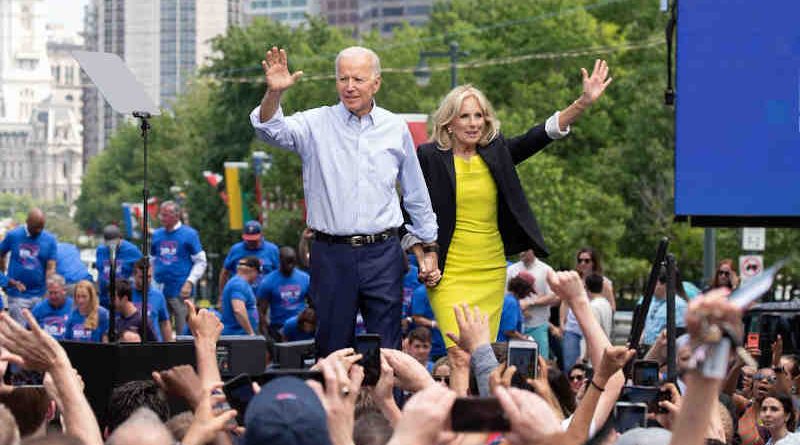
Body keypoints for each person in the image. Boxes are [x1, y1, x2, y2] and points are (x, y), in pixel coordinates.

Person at [412, 62, 610, 365]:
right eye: (465, 116)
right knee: (458, 355)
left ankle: (478, 410)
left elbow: (539, 135)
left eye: (479, 115)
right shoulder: (428, 157)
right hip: (449, 271)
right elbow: (410, 210)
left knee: (481, 354)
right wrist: (425, 255)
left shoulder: (496, 152)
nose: (474, 122)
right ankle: (457, 411)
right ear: (449, 122)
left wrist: (582, 103)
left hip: (490, 268)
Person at [249, 46, 439, 356]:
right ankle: (336, 405)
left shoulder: (395, 127)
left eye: (358, 79)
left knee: (386, 350)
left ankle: (383, 406)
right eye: (343, 78)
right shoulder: (315, 123)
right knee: (334, 350)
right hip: (331, 254)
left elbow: (416, 194)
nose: (349, 86)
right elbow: (269, 129)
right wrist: (274, 94)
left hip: (383, 253)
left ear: (376, 83)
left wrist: (428, 248)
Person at [150, 200, 207, 336]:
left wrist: (190, 282)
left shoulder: (189, 234)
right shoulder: (157, 235)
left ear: (177, 216)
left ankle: (183, 355)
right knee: (159, 327)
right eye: (161, 215)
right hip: (159, 290)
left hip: (181, 291)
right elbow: (152, 259)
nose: (162, 219)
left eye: (166, 215)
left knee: (183, 330)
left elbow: (201, 261)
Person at [0, 208, 58, 323]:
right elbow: (1, 254)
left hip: (40, 294)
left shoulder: (50, 240)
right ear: (27, 222)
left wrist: (49, 289)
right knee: (20, 333)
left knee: (38, 332)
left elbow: (51, 267)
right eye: (35, 227)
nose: (38, 230)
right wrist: (5, 278)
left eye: (41, 227)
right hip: (17, 294)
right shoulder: (13, 235)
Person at [506, 249, 558, 359]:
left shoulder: (546, 270)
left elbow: (554, 297)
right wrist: (518, 307)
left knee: (541, 361)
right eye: (520, 249)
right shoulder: (511, 270)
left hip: (537, 325)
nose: (521, 252)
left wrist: (530, 303)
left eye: (525, 250)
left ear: (533, 250)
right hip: (515, 328)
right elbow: (505, 296)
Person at [256, 246, 309, 338]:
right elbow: (261, 311)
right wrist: (265, 335)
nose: (291, 265)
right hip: (278, 327)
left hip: (301, 326)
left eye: (293, 262)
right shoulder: (268, 281)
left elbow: (313, 304)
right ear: (280, 260)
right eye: (287, 262)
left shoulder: (305, 278)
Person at [219, 220, 279, 295]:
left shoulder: (272, 250)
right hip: (240, 297)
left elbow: (279, 274)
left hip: (266, 298)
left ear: (261, 236)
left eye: (254, 240)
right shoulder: (236, 249)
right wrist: (222, 295)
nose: (251, 243)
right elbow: (224, 273)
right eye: (249, 240)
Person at [96, 224, 143, 309]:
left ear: (120, 238)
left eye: (114, 244)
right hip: (104, 299)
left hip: (122, 300)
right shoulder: (100, 250)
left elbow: (143, 269)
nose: (112, 247)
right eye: (109, 244)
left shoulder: (132, 250)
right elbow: (100, 270)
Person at [641, 270, 688, 346]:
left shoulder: (679, 306)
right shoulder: (651, 302)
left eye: (654, 284)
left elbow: (680, 335)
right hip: (648, 350)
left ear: (665, 285)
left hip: (664, 352)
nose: (650, 287)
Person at [132, 258, 173, 342]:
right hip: (132, 344)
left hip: (154, 344)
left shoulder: (158, 296)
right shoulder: (127, 294)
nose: (146, 280)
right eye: (141, 277)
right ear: (134, 275)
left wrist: (170, 346)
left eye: (149, 277)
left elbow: (165, 323)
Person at [221, 257, 260, 336]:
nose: (257, 277)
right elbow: (238, 310)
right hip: (237, 337)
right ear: (253, 270)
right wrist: (251, 333)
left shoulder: (242, 283)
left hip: (241, 336)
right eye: (258, 273)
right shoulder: (238, 284)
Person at [30, 274, 73, 340]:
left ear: (64, 291)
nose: (53, 296)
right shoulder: (39, 308)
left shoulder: (74, 307)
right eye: (50, 293)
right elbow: (28, 330)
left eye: (56, 293)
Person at [410, 285, 447, 361]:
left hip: (446, 343)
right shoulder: (421, 292)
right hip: (429, 345)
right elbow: (416, 317)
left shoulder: (448, 290)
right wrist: (434, 324)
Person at [585, 274, 613, 343]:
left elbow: (592, 334)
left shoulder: (593, 306)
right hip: (605, 344)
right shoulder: (607, 304)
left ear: (586, 287)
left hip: (596, 348)